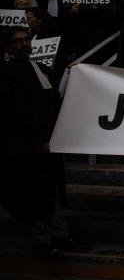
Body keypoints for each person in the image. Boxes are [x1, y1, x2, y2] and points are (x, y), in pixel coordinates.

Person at [0, 26, 88, 259]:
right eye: (18, 41)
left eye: (27, 39)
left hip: (47, 142)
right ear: (8, 47)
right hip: (27, 147)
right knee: (32, 196)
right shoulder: (8, 72)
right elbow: (17, 112)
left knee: (49, 194)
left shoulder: (38, 68)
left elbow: (51, 101)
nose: (25, 44)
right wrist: (37, 140)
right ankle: (44, 240)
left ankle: (60, 235)